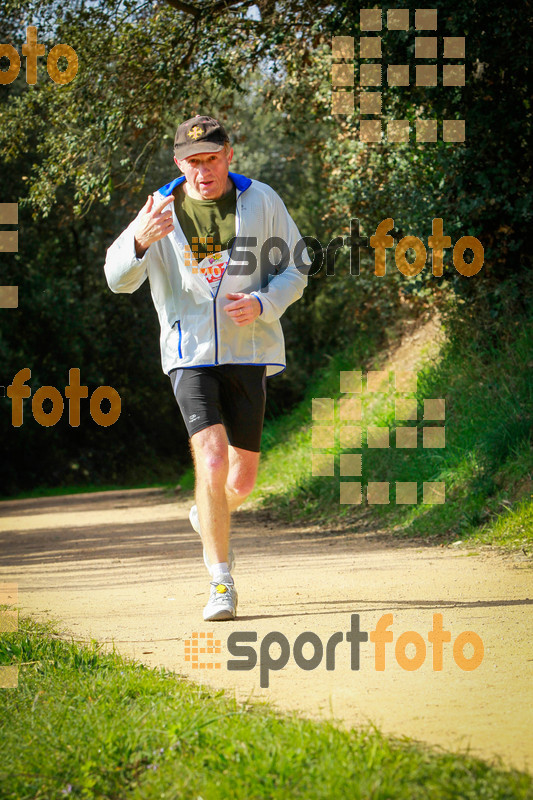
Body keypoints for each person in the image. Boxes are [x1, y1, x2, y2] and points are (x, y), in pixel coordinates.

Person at [104, 114, 309, 621]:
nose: (203, 171)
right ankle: (221, 583)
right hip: (189, 355)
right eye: (193, 162)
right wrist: (140, 241)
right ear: (179, 163)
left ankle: (208, 512)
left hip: (250, 349)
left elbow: (297, 265)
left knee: (240, 483)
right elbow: (116, 277)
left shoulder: (261, 200)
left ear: (228, 156)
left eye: (211, 159)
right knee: (212, 461)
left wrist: (264, 302)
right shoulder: (160, 208)